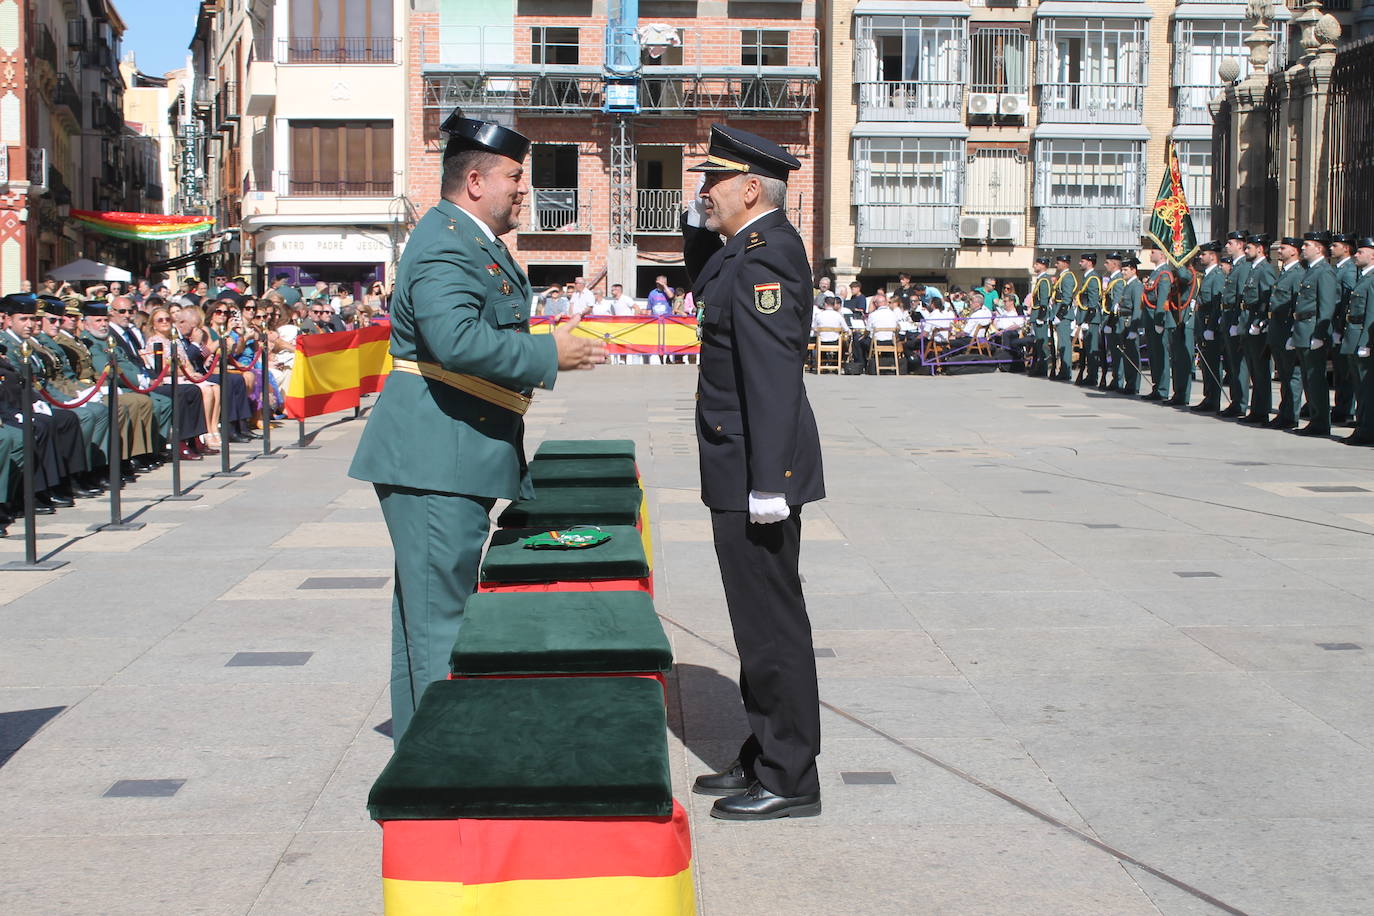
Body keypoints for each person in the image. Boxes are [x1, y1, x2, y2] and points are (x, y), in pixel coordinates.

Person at [349, 109, 605, 745]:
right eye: (516, 177)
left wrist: (543, 338)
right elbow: (455, 340)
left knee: (427, 615)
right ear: (475, 183)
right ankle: (447, 766)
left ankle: (423, 751)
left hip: (450, 452)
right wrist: (549, 355)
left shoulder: (467, 239)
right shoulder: (444, 243)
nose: (525, 188)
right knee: (441, 624)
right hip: (436, 458)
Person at [680, 123, 824, 821]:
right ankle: (766, 747)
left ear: (747, 188)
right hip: (737, 464)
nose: (701, 193)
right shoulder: (743, 249)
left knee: (772, 625)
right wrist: (699, 223)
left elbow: (770, 375)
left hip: (753, 473)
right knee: (754, 623)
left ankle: (790, 773)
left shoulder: (768, 255)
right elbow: (701, 279)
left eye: (711, 183)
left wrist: (770, 480)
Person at [1292, 231, 1338, 436]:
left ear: (1318, 248)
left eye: (1307, 245)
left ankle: (1320, 422)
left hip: (1313, 331)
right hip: (1303, 329)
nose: (1302, 248)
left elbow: (1326, 307)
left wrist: (1320, 334)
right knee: (1308, 378)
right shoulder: (1310, 271)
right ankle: (1314, 417)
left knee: (1315, 378)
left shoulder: (1324, 272)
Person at [1264, 236, 1305, 430]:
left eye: (1283, 248)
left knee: (1292, 377)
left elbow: (1297, 306)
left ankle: (1290, 415)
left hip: (1287, 330)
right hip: (1277, 330)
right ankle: (1284, 412)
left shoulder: (1298, 274)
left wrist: (1293, 333)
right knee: (1284, 376)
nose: (1279, 251)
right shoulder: (1284, 273)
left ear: (1294, 251)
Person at [1239, 235, 1276, 425]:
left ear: (1260, 249)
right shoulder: (1254, 270)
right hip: (1248, 321)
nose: (1245, 251)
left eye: (1249, 248)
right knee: (1254, 369)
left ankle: (1262, 411)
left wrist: (1261, 321)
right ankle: (1257, 409)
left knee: (1261, 371)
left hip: (1257, 325)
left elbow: (1267, 298)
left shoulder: (1265, 270)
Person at [1342, 237, 1374, 444]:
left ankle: (1367, 430)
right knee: (1359, 387)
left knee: (1365, 388)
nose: (1356, 255)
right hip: (1353, 336)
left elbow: (1371, 313)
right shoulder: (1362, 277)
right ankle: (1362, 426)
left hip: (1362, 338)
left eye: (1360, 252)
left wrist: (1366, 343)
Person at [1219, 231, 1251, 418]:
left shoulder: (1244, 267)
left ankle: (1240, 403)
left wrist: (1238, 322)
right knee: (1233, 364)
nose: (1227, 246)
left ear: (1240, 245)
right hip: (1228, 317)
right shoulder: (1236, 267)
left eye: (1230, 243)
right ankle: (1236, 401)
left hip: (1235, 318)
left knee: (1239, 365)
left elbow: (1241, 297)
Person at [1192, 242, 1226, 413]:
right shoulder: (1207, 275)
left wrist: (1211, 327)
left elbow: (1216, 304)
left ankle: (1214, 399)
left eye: (1203, 254)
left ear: (1212, 256)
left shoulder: (1217, 276)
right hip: (1202, 324)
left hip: (1208, 325)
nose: (1200, 257)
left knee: (1212, 364)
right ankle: (1208, 396)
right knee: (1205, 364)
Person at [1332, 233, 1360, 424]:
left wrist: (1340, 328)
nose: (1331, 248)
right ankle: (1341, 406)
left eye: (1336, 245)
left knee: (1345, 372)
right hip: (1335, 325)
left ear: (1346, 248)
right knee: (1339, 371)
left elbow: (1347, 302)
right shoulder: (1339, 268)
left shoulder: (1349, 270)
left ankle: (1346, 409)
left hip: (1341, 325)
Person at [1140, 248, 1173, 401]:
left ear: (1162, 255)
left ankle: (1163, 389)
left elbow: (1162, 298)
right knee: (1154, 355)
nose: (1150, 254)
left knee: (1161, 355)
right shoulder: (1156, 273)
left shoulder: (1164, 273)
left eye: (1153, 251)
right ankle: (1157, 386)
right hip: (1150, 319)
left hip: (1157, 319)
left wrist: (1159, 320)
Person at [1075, 254, 1103, 387]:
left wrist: (1087, 319)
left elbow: (1093, 300)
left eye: (1082, 261)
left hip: (1091, 319)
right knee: (1087, 349)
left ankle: (1093, 376)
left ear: (1090, 263)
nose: (1080, 263)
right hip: (1086, 317)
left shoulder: (1092, 278)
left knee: (1092, 349)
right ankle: (1090, 375)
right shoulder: (1087, 277)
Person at [1028, 256, 1053, 377]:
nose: (1035, 266)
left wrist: (1041, 317)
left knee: (1042, 342)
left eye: (1037, 264)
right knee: (1038, 342)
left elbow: (1044, 300)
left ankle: (1043, 368)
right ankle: (1039, 366)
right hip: (1037, 312)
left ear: (1043, 265)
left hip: (1040, 314)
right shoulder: (1040, 279)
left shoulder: (1044, 280)